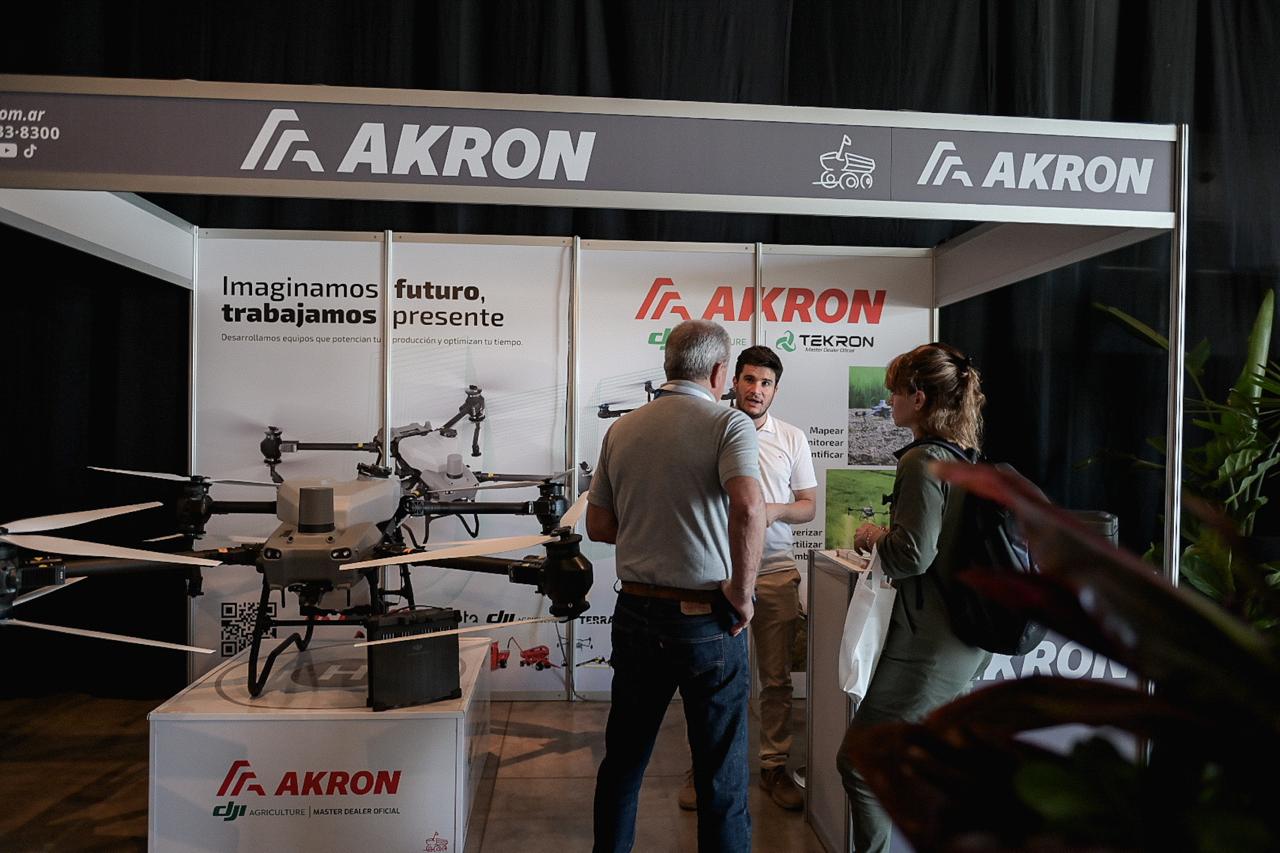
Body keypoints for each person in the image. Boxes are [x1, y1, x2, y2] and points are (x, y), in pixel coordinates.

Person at [587, 319, 766, 853]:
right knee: (720, 774)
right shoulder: (729, 424)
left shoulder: (622, 429)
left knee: (623, 761)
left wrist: (652, 529)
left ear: (668, 364)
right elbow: (749, 507)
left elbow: (598, 525)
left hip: (636, 613)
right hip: (706, 618)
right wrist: (742, 593)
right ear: (719, 372)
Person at [835, 342, 989, 852]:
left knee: (860, 762)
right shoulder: (963, 456)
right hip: (959, 636)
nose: (889, 402)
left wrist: (873, 536)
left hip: (929, 644)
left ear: (918, 397)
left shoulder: (923, 460)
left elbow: (911, 556)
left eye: (895, 392)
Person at [678, 345, 816, 813]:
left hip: (774, 572)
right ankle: (704, 770)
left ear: (775, 390)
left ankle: (774, 766)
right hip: (716, 572)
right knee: (710, 680)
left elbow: (807, 505)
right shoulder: (710, 429)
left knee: (776, 681)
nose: (757, 390)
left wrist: (770, 511)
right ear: (733, 381)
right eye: (750, 380)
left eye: (766, 383)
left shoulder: (792, 438)